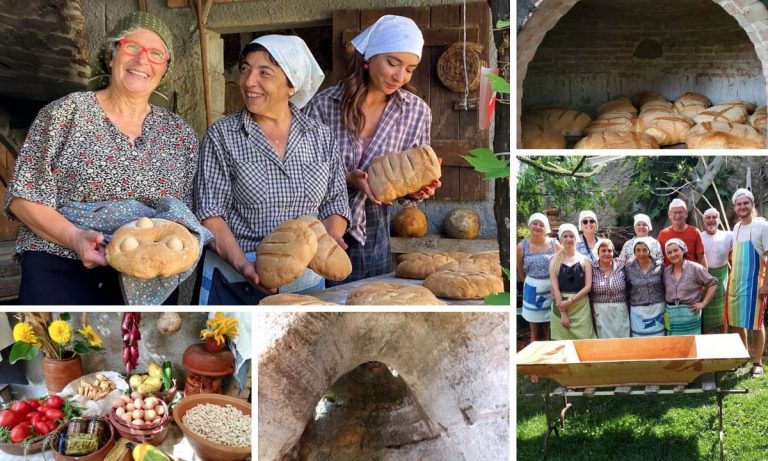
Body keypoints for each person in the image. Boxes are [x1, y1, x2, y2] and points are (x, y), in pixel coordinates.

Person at [3, 12, 198, 304]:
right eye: (132, 47)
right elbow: (23, 197)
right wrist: (75, 238)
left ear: (164, 69)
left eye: (155, 54)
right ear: (111, 56)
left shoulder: (179, 134)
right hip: (61, 263)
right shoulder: (65, 114)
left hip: (147, 275)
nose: (142, 60)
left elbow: (182, 215)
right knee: (61, 348)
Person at [194, 35, 351, 304]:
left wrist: (330, 239)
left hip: (307, 278)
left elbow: (335, 201)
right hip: (237, 278)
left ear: (291, 84)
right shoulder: (222, 135)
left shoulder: (320, 136)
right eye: (245, 69)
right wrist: (244, 265)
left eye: (264, 72)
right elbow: (210, 214)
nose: (249, 81)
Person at [305, 15, 440, 285]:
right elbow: (301, 170)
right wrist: (346, 178)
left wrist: (416, 191)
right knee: (321, 309)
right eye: (392, 63)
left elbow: (406, 187)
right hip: (321, 228)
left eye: (410, 69)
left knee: (370, 306)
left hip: (375, 232)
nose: (399, 76)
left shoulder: (415, 112)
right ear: (369, 57)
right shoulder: (322, 105)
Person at [725, 188, 768, 377]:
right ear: (735, 207)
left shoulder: (762, 226)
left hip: (755, 283)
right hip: (735, 282)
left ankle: (757, 362)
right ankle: (743, 357)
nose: (742, 207)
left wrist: (766, 285)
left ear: (752, 205)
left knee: (756, 323)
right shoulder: (736, 228)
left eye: (746, 203)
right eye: (739, 204)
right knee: (737, 322)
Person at [517, 213, 561, 342]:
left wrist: (556, 287)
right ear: (529, 225)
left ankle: (549, 357)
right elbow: (520, 270)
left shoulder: (555, 244)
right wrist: (530, 283)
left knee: (549, 327)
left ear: (546, 227)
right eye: (534, 223)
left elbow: (560, 266)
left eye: (541, 225)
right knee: (534, 330)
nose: (537, 227)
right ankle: (533, 356)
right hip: (531, 287)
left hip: (550, 289)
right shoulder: (521, 246)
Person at [549, 224, 596, 340]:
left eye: (571, 236)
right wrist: (563, 313)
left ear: (576, 239)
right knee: (562, 343)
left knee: (585, 340)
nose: (568, 239)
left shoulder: (585, 260)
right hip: (561, 305)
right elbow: (555, 289)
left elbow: (588, 287)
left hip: (581, 307)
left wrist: (571, 301)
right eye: (565, 236)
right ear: (560, 239)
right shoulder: (554, 260)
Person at [663, 239, 718, 336]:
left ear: (683, 250)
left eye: (676, 250)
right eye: (669, 252)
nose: (672, 254)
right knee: (672, 345)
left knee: (691, 343)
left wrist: (703, 303)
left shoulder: (695, 268)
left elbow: (713, 283)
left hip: (690, 314)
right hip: (671, 316)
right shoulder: (666, 272)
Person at [700, 207, 733, 334]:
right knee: (706, 310)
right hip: (705, 277)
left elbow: (734, 254)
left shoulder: (728, 235)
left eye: (714, 217)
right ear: (704, 221)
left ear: (718, 220)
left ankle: (724, 338)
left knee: (722, 311)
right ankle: (707, 342)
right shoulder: (700, 236)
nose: (711, 220)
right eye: (708, 217)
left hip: (722, 276)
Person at [625, 238, 666, 336]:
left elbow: (665, 284)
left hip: (658, 309)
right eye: (638, 250)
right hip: (638, 311)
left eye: (644, 250)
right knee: (640, 341)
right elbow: (627, 288)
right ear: (634, 252)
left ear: (650, 250)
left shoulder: (659, 265)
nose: (641, 253)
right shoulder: (629, 268)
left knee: (659, 339)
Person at [591, 239, 630, 338]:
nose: (607, 253)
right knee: (604, 343)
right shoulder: (591, 268)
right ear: (598, 252)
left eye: (609, 250)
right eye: (603, 251)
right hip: (600, 310)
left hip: (620, 310)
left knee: (622, 339)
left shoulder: (621, 266)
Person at [657, 198, 707, 267]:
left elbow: (701, 257)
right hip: (669, 276)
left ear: (686, 214)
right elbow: (658, 258)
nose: (677, 216)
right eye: (674, 213)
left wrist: (704, 275)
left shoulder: (694, 232)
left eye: (680, 212)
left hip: (692, 275)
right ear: (669, 215)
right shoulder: (663, 234)